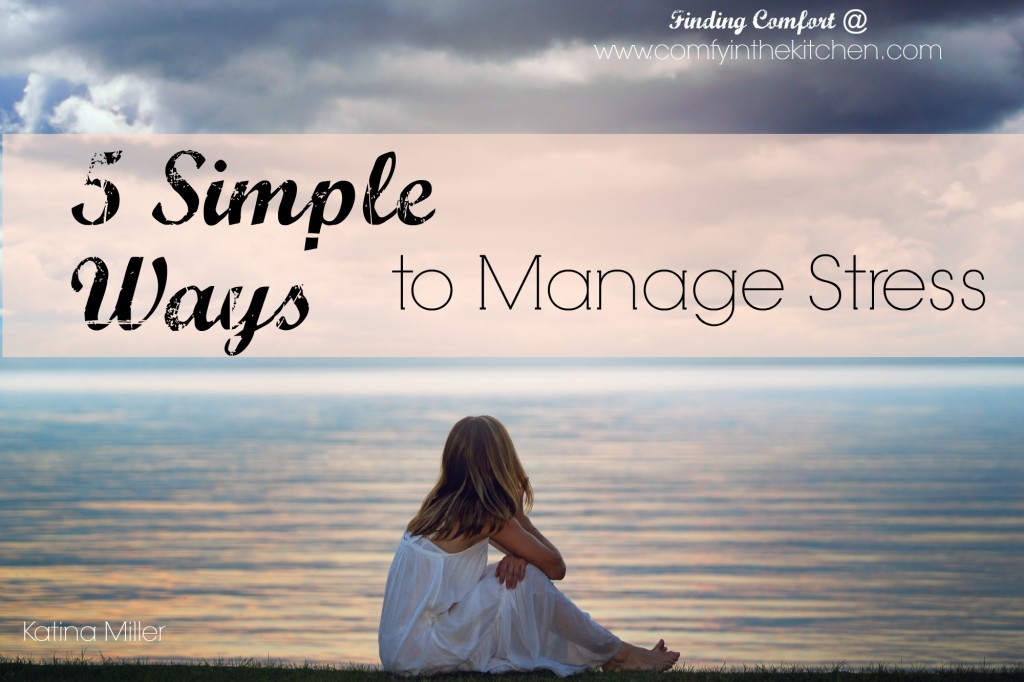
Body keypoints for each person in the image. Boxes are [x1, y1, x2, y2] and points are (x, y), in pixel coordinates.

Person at [378, 415, 680, 676]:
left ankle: (613, 652)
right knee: (528, 579)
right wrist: (520, 517)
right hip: (419, 652)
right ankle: (620, 655)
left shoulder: (440, 507)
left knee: (515, 575)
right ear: (500, 462)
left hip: (401, 649)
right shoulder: (484, 515)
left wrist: (517, 554)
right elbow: (555, 566)